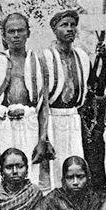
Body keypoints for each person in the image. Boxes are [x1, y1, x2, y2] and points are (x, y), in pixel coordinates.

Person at [0, 12, 53, 189]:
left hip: (29, 124)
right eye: (11, 31)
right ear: (4, 35)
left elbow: (44, 104)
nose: (15, 35)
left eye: (20, 31)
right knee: (1, 174)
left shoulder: (37, 61)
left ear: (28, 33)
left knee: (30, 173)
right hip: (3, 125)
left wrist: (42, 140)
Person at [42, 10, 91, 191]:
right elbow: (43, 97)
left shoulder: (82, 57)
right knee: (54, 166)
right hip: (52, 116)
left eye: (73, 25)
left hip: (73, 117)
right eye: (64, 25)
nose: (70, 29)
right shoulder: (46, 56)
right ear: (54, 29)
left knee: (76, 162)